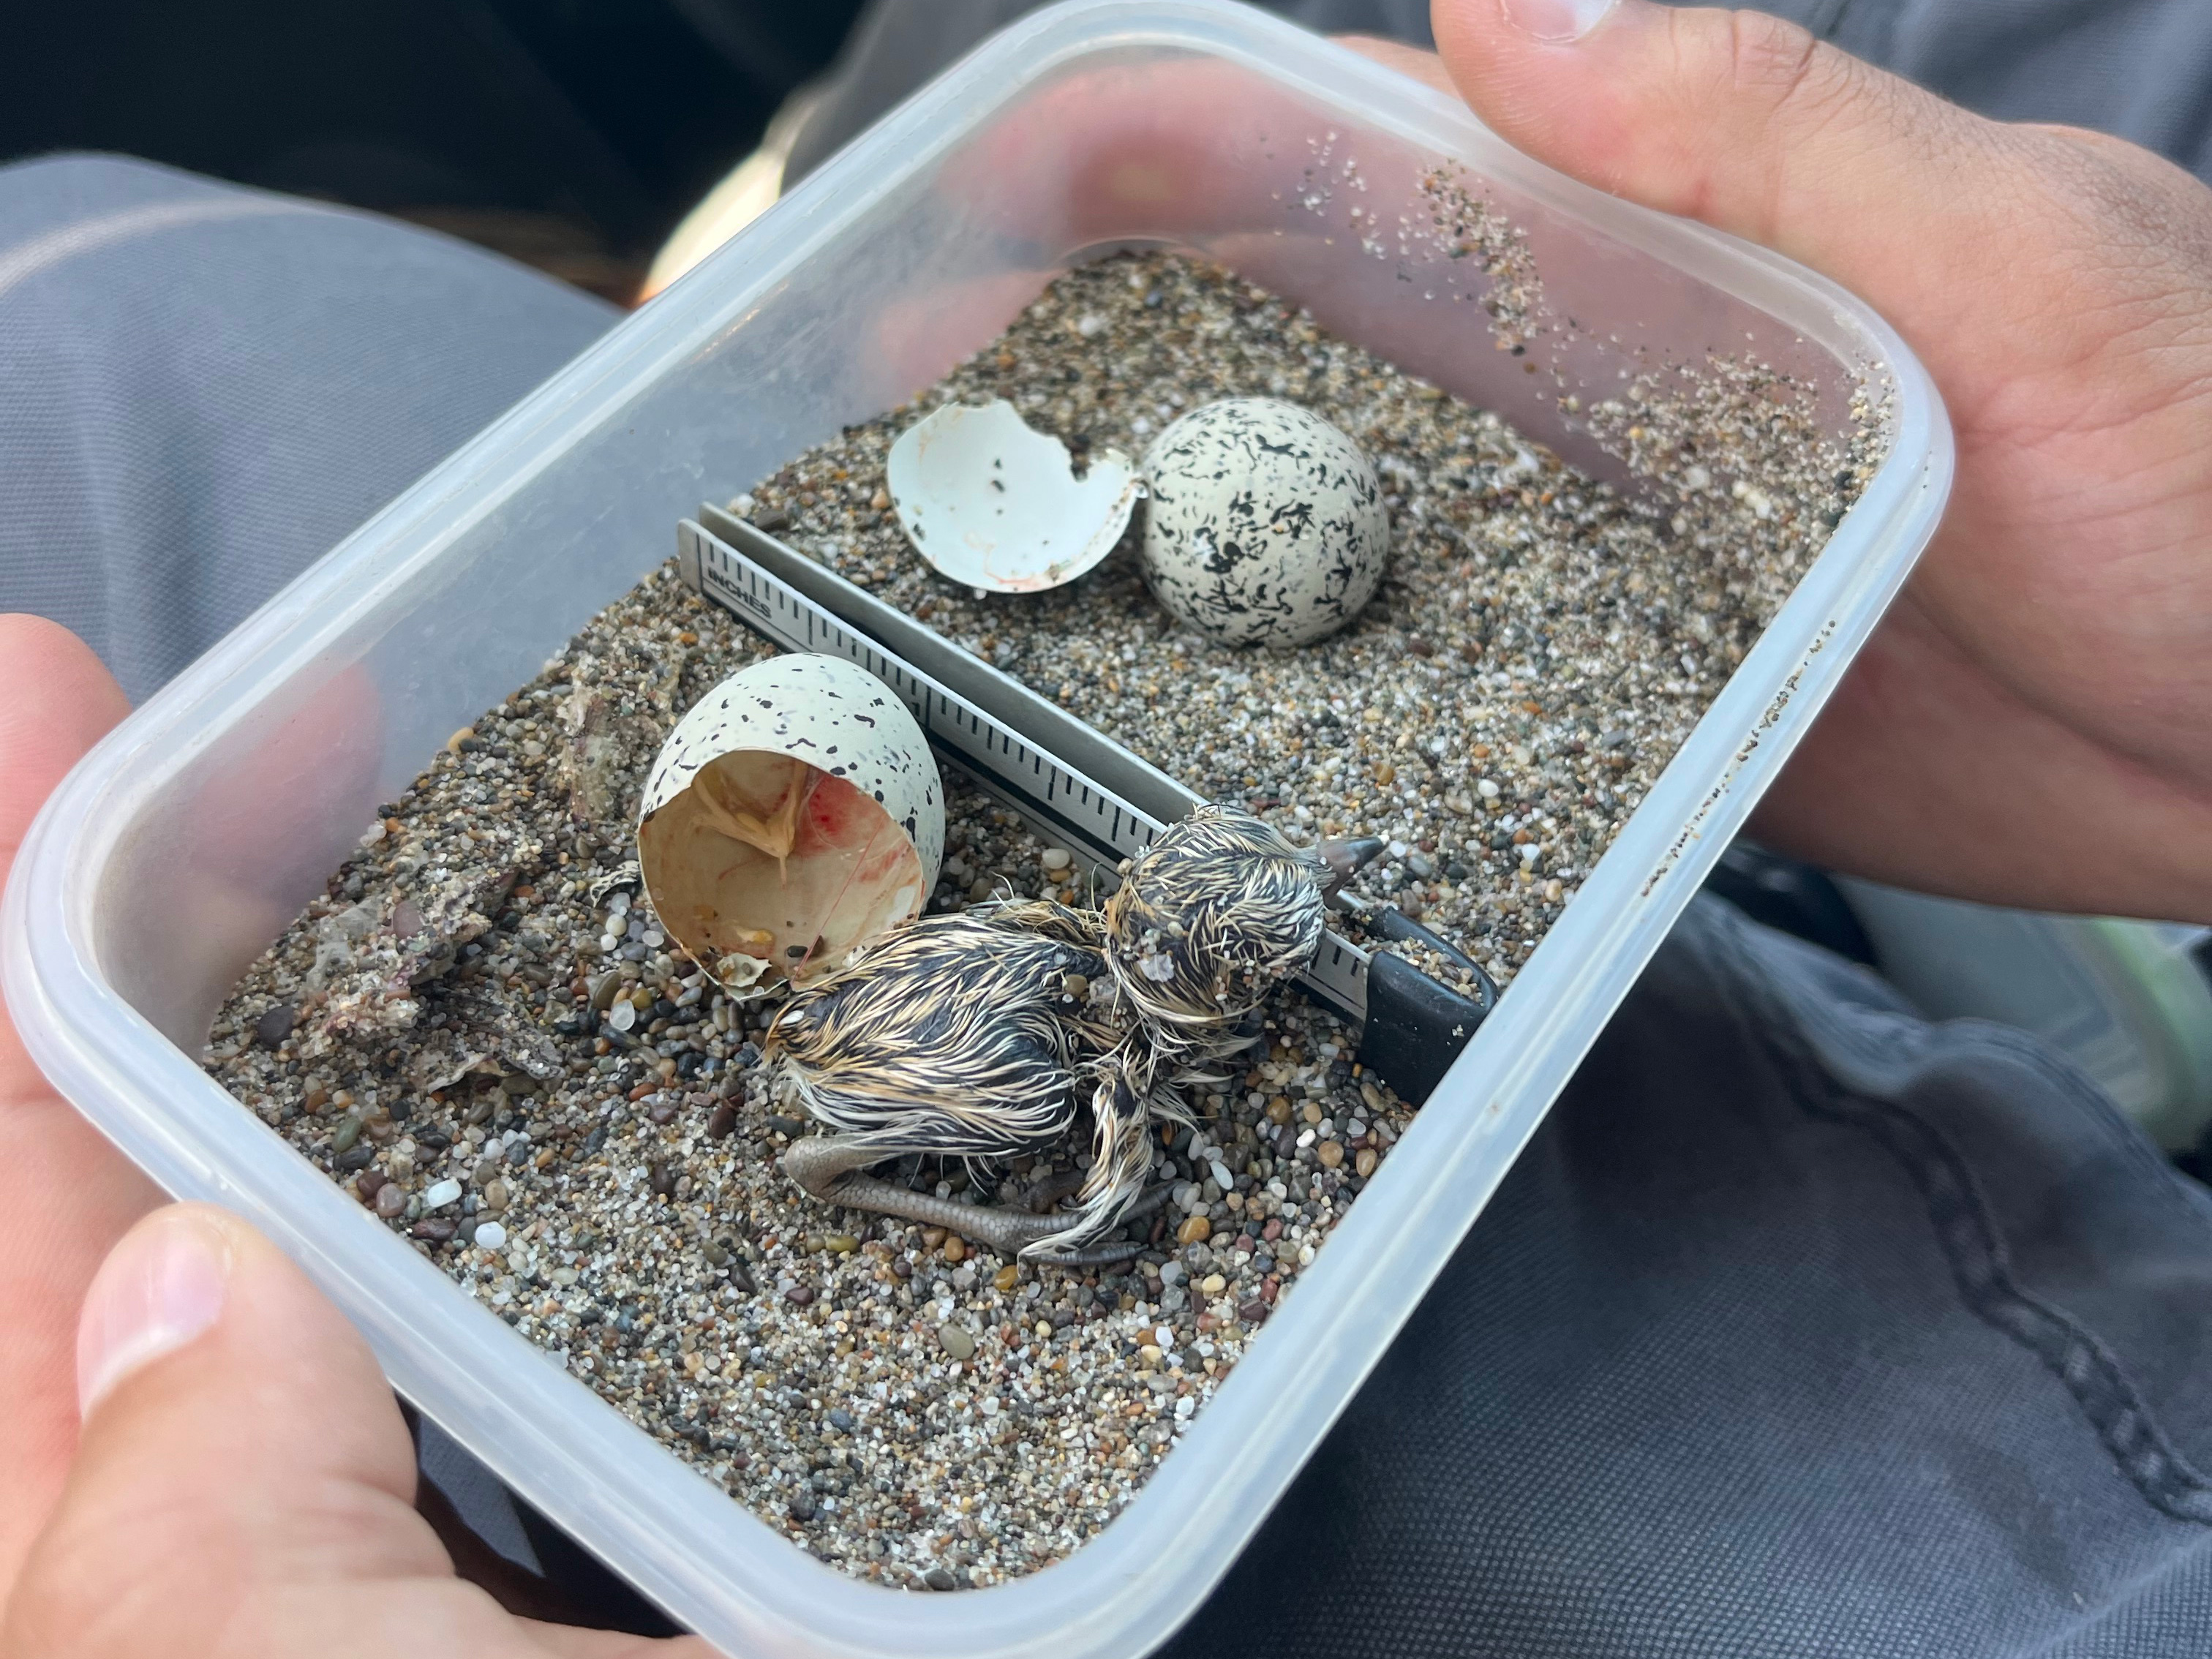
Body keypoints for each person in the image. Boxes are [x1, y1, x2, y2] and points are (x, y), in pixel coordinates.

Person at [5, 0, 2212, 1652]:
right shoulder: (1049, 979)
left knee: (91, 293)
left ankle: (1854, 937)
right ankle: (1851, 950)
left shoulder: (1132, 1008)